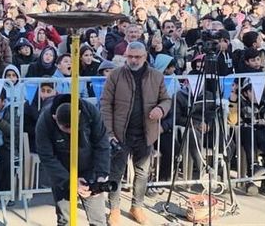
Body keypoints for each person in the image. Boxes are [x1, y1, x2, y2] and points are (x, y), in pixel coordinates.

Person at [99, 41, 172, 225]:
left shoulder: (156, 76)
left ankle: (136, 206)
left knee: (142, 172)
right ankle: (114, 209)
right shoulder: (115, 75)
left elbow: (166, 99)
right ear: (126, 56)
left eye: (137, 57)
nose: (133, 60)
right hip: (120, 132)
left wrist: (161, 110)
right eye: (130, 56)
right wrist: (109, 133)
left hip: (146, 132)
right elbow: (105, 104)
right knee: (116, 173)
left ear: (145, 57)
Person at [35, 94, 111, 226]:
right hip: (62, 172)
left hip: (89, 169)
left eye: (74, 126)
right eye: (65, 128)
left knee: (98, 220)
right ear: (55, 118)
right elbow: (47, 157)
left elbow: (102, 144)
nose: (71, 132)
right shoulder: (45, 121)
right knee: (65, 220)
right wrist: (69, 181)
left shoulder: (90, 112)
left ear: (79, 114)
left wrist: (101, 175)